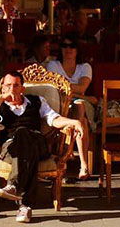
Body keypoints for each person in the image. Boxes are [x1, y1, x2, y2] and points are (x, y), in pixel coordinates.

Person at [0, 70, 85, 223]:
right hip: (10, 148)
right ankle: (25, 207)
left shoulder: (37, 100)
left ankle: (13, 185)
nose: (12, 89)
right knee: (24, 148)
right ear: (3, 88)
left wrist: (73, 122)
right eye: (8, 85)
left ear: (22, 88)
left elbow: (53, 119)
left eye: (16, 85)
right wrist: (0, 100)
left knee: (24, 133)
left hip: (38, 144)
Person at [45, 38, 95, 181]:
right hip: (61, 104)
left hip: (82, 105)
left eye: (72, 45)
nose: (68, 49)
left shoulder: (85, 66)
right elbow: (55, 89)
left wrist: (68, 88)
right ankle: (83, 165)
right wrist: (78, 92)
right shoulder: (53, 65)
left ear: (77, 49)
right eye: (65, 46)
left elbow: (82, 87)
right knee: (82, 121)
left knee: (79, 105)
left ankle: (70, 152)